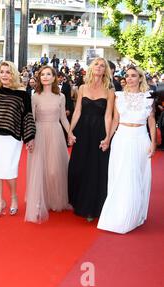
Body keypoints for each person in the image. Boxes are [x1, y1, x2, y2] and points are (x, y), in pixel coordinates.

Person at [97, 66, 156, 234]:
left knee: (136, 176)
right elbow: (115, 119)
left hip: (140, 138)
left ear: (140, 78)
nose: (129, 79)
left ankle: (134, 213)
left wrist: (153, 143)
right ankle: (119, 214)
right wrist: (108, 138)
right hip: (121, 138)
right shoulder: (119, 97)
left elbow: (151, 121)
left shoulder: (148, 97)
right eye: (127, 76)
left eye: (133, 76)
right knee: (121, 175)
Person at [0, 61, 35, 218]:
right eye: (2, 72)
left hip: (13, 137)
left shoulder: (22, 94)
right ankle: (0, 201)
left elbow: (27, 117)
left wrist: (30, 137)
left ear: (13, 74)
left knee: (9, 170)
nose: (4, 75)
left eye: (8, 72)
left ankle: (13, 197)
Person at [68, 58, 115, 222]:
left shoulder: (109, 90)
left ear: (105, 70)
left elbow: (109, 115)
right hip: (82, 130)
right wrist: (70, 131)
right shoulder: (82, 87)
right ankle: (78, 200)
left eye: (103, 65)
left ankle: (92, 207)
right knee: (79, 166)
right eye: (97, 64)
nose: (99, 67)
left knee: (96, 168)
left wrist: (107, 137)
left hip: (99, 131)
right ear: (91, 67)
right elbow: (77, 111)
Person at [26, 66, 71, 223]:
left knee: (54, 169)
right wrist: (29, 138)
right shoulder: (35, 96)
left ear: (54, 78)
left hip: (56, 132)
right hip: (39, 133)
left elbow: (63, 118)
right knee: (40, 169)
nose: (45, 77)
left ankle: (55, 200)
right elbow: (30, 118)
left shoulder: (61, 96)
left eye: (48, 74)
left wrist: (70, 133)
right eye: (42, 74)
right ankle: (40, 201)